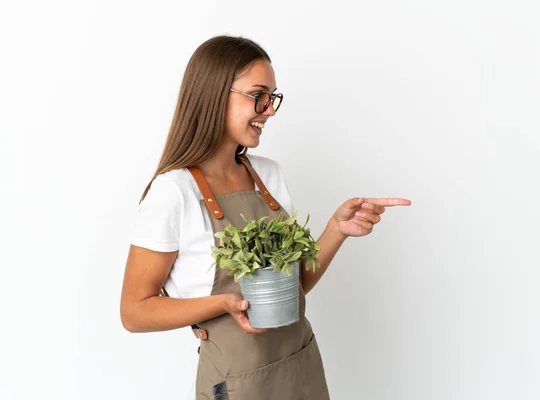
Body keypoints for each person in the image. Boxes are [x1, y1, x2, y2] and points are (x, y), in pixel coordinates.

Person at [119, 35, 411, 400]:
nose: (269, 110)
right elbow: (134, 311)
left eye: (272, 98)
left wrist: (336, 230)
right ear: (214, 93)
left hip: (300, 368)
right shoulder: (173, 192)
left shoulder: (269, 176)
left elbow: (292, 287)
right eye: (258, 95)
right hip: (237, 383)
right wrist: (223, 303)